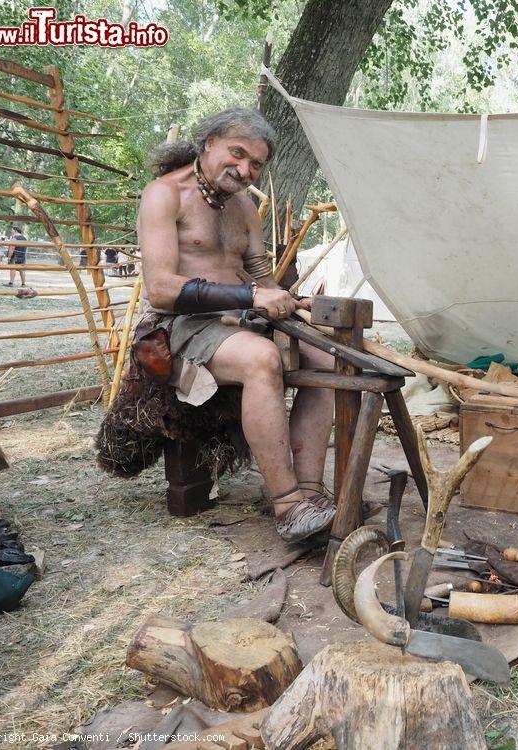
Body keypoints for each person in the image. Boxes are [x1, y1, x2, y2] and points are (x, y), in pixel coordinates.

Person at [138, 108, 337, 544]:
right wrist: (251, 297)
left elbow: (262, 280)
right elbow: (161, 290)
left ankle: (309, 494)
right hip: (182, 328)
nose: (245, 169)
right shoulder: (164, 195)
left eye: (256, 164)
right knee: (262, 358)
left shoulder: (244, 207)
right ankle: (286, 506)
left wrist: (289, 298)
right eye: (237, 153)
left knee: (325, 359)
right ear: (208, 142)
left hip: (239, 323)